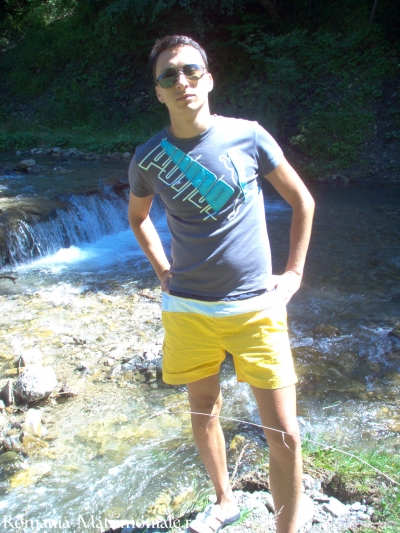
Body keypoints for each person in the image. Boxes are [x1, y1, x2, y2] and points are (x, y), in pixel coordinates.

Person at [128, 35, 315, 533]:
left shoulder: (249, 137)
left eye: (191, 70)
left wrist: (293, 274)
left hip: (256, 308)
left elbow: (303, 201)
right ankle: (224, 500)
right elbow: (138, 218)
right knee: (203, 410)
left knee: (285, 434)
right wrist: (162, 270)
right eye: (169, 75)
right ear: (158, 92)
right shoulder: (149, 158)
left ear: (208, 79)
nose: (182, 81)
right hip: (188, 310)